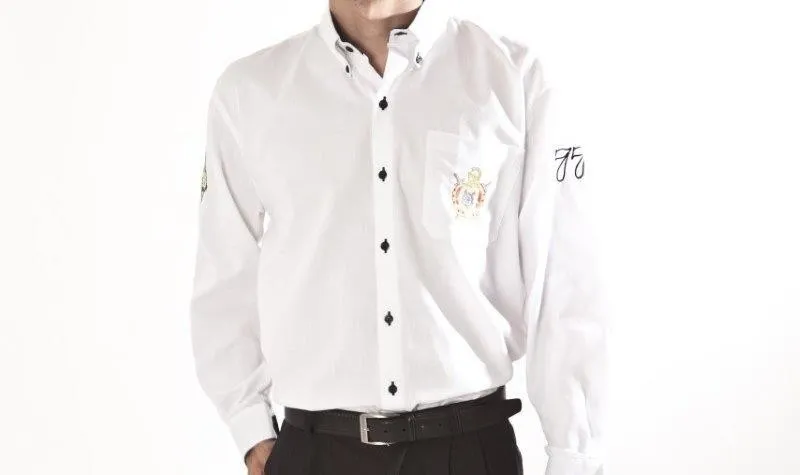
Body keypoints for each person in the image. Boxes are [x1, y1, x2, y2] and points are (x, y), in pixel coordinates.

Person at [188, 0, 609, 474]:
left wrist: (574, 456)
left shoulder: (514, 80)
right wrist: (250, 429)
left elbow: (564, 286)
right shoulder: (250, 93)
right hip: (315, 454)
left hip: (468, 454)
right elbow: (223, 274)